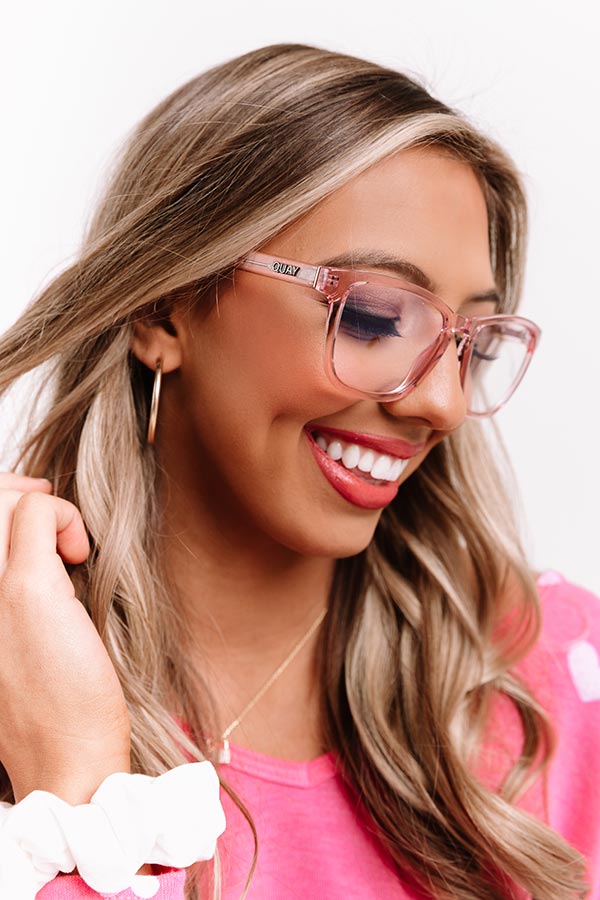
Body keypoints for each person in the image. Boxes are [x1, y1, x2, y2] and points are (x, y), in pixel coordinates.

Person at [0, 42, 598, 900]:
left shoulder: (544, 679)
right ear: (162, 308)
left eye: (470, 343)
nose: (442, 403)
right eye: (374, 317)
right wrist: (73, 790)